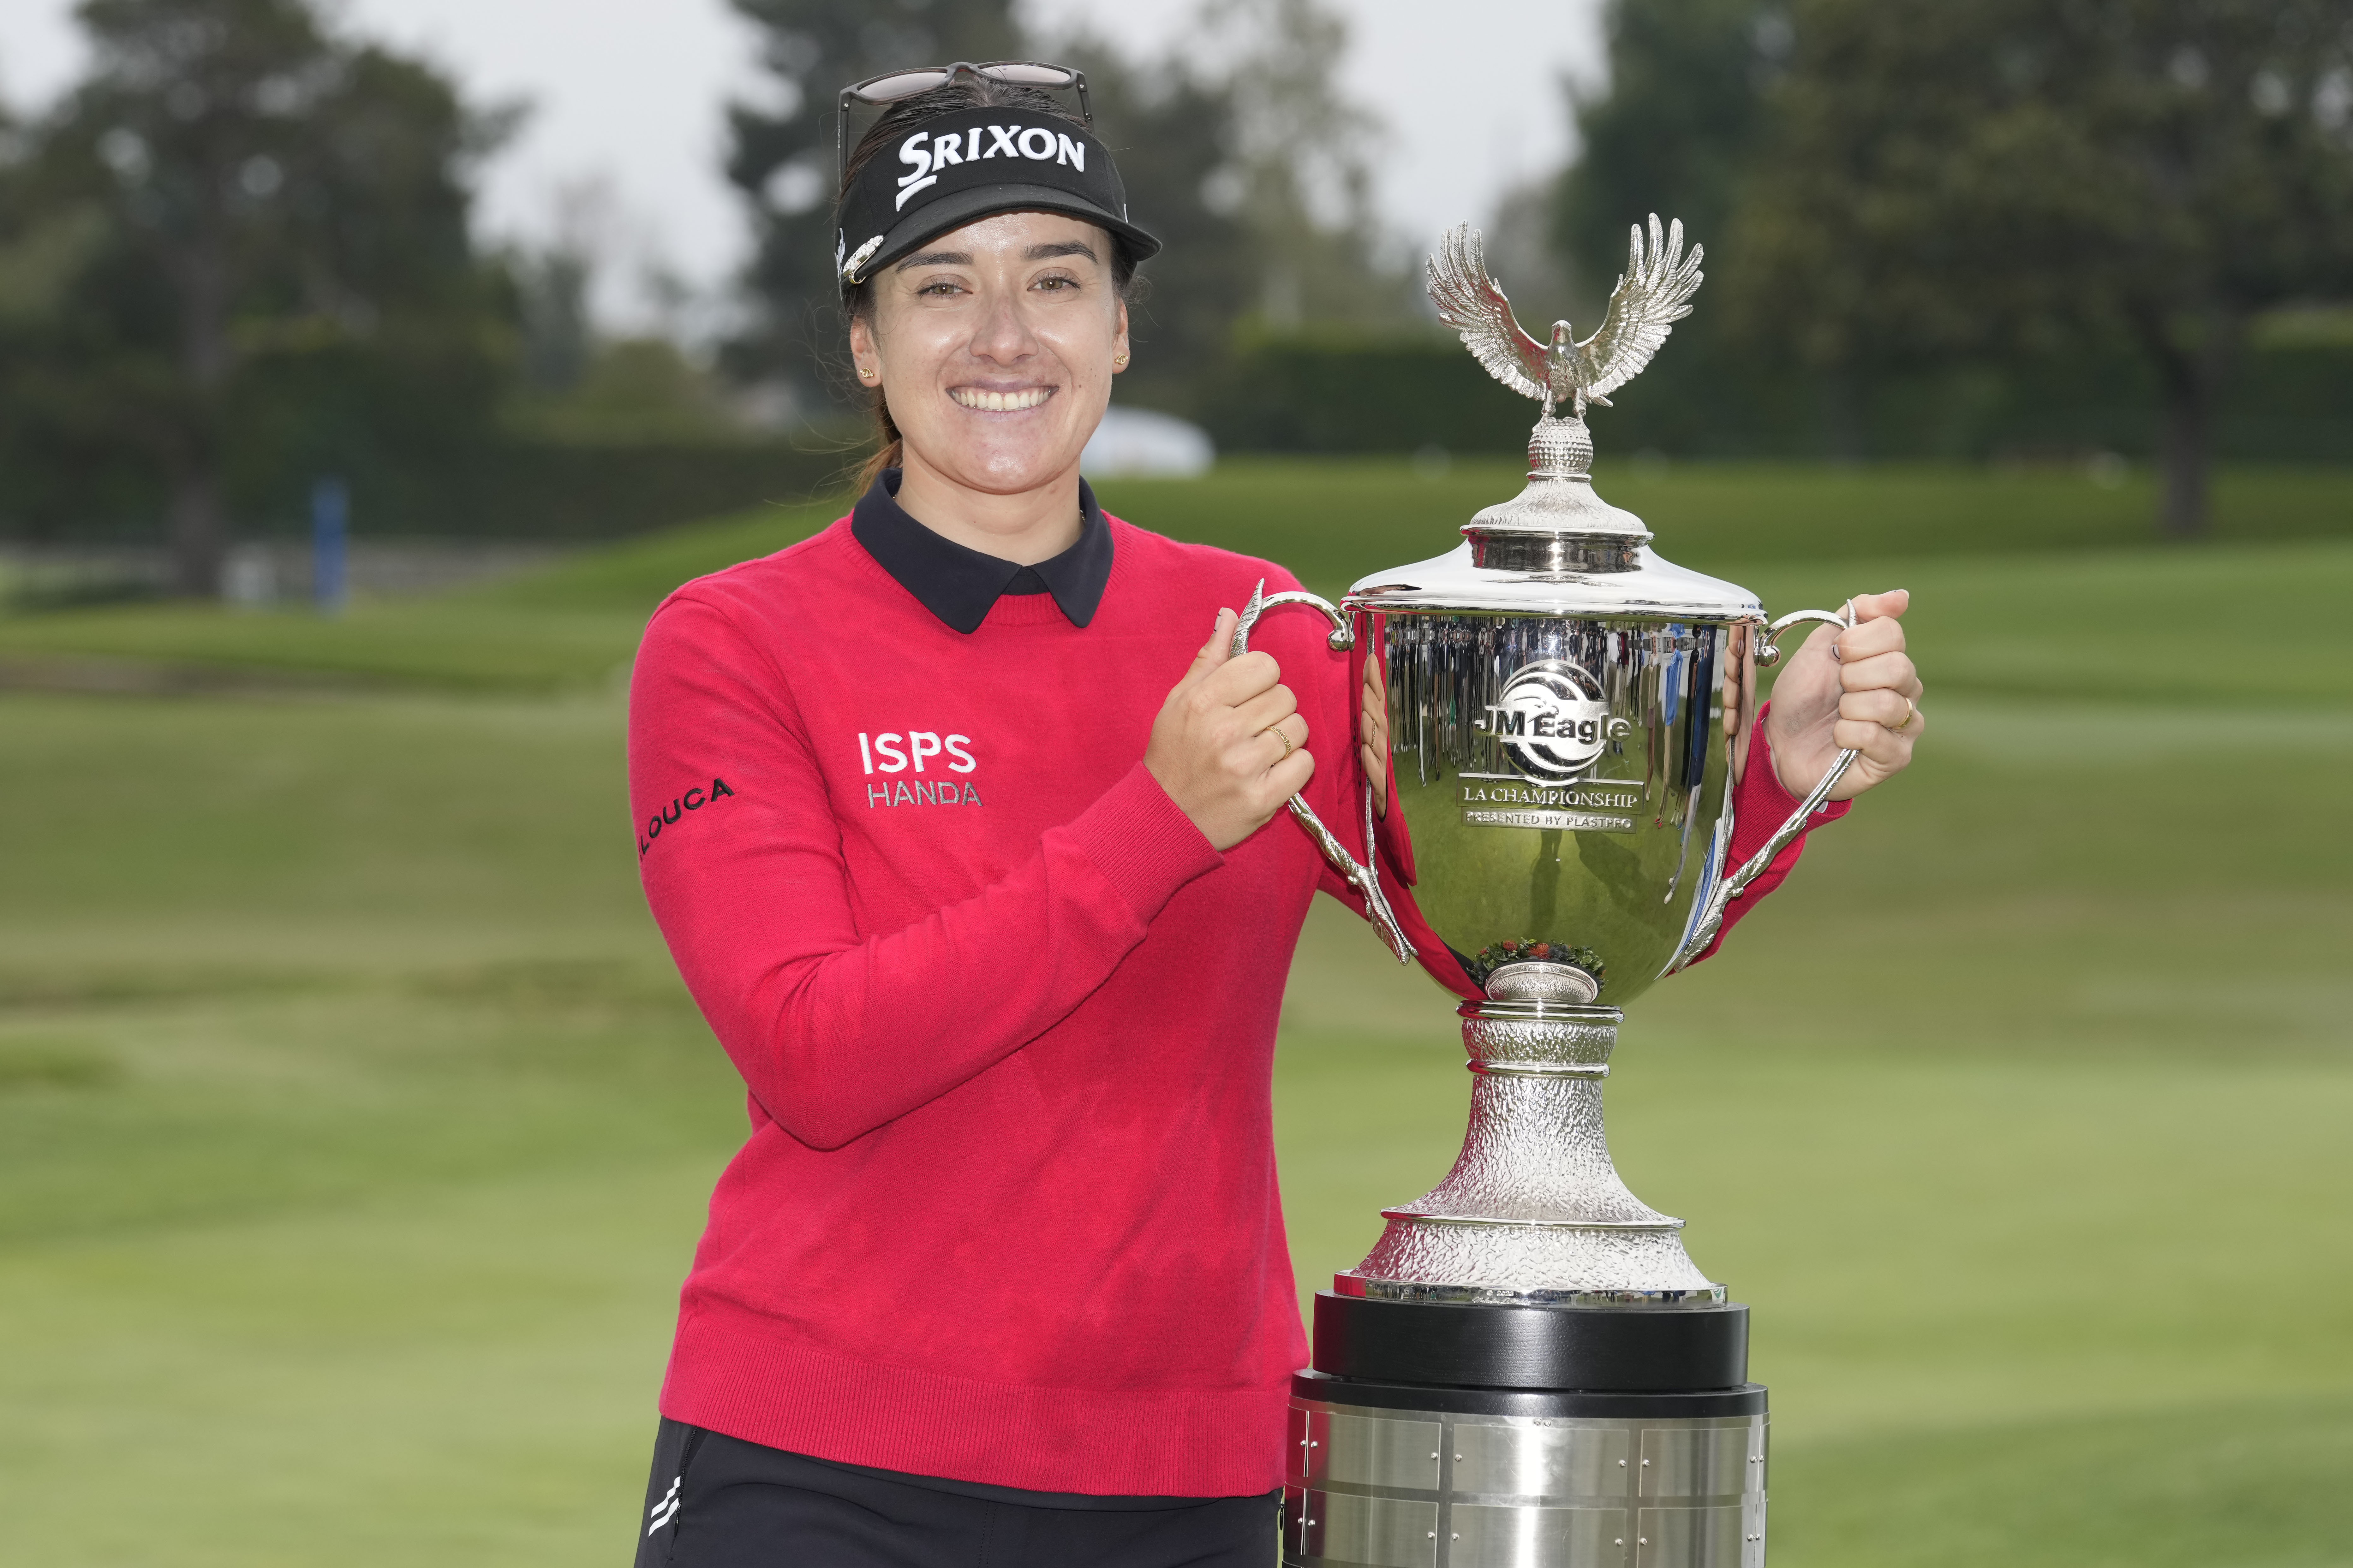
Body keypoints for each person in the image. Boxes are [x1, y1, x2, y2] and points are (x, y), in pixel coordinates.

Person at [625, 63, 1925, 1568]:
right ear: (866, 340)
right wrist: (1157, 820)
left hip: (1193, 1478)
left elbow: (1506, 953)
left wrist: (1769, 771)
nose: (1002, 336)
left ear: (1118, 327)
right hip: (824, 1468)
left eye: (1057, 279)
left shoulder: (1256, 627)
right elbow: (815, 1055)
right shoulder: (734, 641)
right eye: (940, 286)